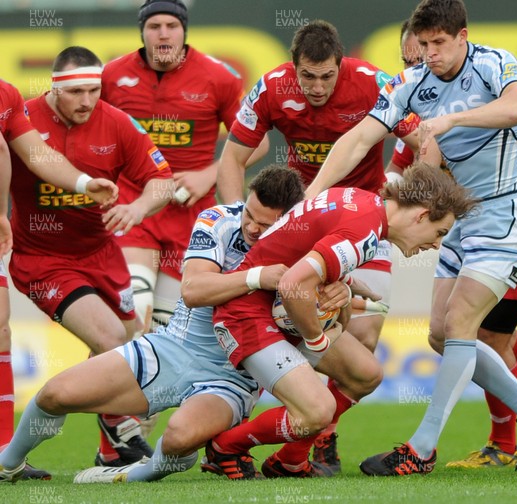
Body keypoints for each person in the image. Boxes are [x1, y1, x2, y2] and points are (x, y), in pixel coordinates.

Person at [304, 0, 517, 474]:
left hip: (510, 209)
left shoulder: (493, 62)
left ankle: (421, 449)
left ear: (462, 37)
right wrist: (313, 194)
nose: (429, 54)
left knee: (464, 322)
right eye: (422, 45)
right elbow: (359, 138)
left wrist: (451, 121)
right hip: (463, 217)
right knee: (442, 335)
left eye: (438, 44)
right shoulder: (410, 83)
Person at [0, 165, 306, 484]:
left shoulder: (303, 249)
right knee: (54, 394)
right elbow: (193, 291)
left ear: (288, 222)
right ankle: (7, 464)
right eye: (250, 215)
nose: (253, 228)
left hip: (231, 378)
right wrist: (258, 277)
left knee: (177, 439)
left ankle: (135, 472)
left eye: (265, 225)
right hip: (171, 350)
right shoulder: (219, 220)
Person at [389, 23, 517, 468]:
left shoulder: (486, 99)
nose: (421, 66)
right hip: (474, 226)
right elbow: (402, 180)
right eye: (411, 60)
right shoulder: (418, 111)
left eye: (428, 52)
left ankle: (505, 443)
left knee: (484, 332)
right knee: (459, 333)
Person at [201, 163, 478, 480]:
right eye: (439, 232)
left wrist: (344, 285)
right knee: (317, 412)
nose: (436, 244)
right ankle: (224, 447)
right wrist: (316, 338)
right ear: (421, 215)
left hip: (275, 307)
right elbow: (293, 284)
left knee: (365, 374)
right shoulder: (366, 229)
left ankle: (289, 460)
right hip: (245, 314)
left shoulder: (362, 202)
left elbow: (304, 257)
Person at [216, 19, 395, 472]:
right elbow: (233, 158)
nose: (316, 87)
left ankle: (310, 439)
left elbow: (423, 140)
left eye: (326, 76)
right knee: (310, 321)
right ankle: (309, 429)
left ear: (342, 64)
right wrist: (239, 219)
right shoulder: (272, 87)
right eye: (307, 76)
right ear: (293, 67)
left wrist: (397, 184)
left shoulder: (374, 83)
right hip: (306, 219)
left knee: (365, 333)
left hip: (362, 218)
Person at [8, 46, 175, 468]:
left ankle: (107, 445)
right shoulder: (22, 120)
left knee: (131, 344)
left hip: (102, 255)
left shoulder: (117, 123)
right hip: (43, 260)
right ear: (53, 89)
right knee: (109, 340)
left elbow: (162, 181)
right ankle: (118, 432)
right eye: (77, 92)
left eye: (94, 91)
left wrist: (137, 209)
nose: (87, 101)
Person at [101, 0, 267, 337]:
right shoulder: (112, 76)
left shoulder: (218, 77)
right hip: (138, 209)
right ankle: (94, 386)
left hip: (191, 217)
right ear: (143, 32)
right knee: (131, 317)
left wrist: (208, 175)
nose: (163, 33)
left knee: (167, 334)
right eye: (154, 26)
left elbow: (258, 141)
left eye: (171, 26)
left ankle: (137, 387)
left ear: (184, 32)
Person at [0, 79, 118, 480]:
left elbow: (32, 154)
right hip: (28, 247)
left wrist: (84, 184)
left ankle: (4, 455)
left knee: (1, 332)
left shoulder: (6, 95)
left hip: (6, 232)